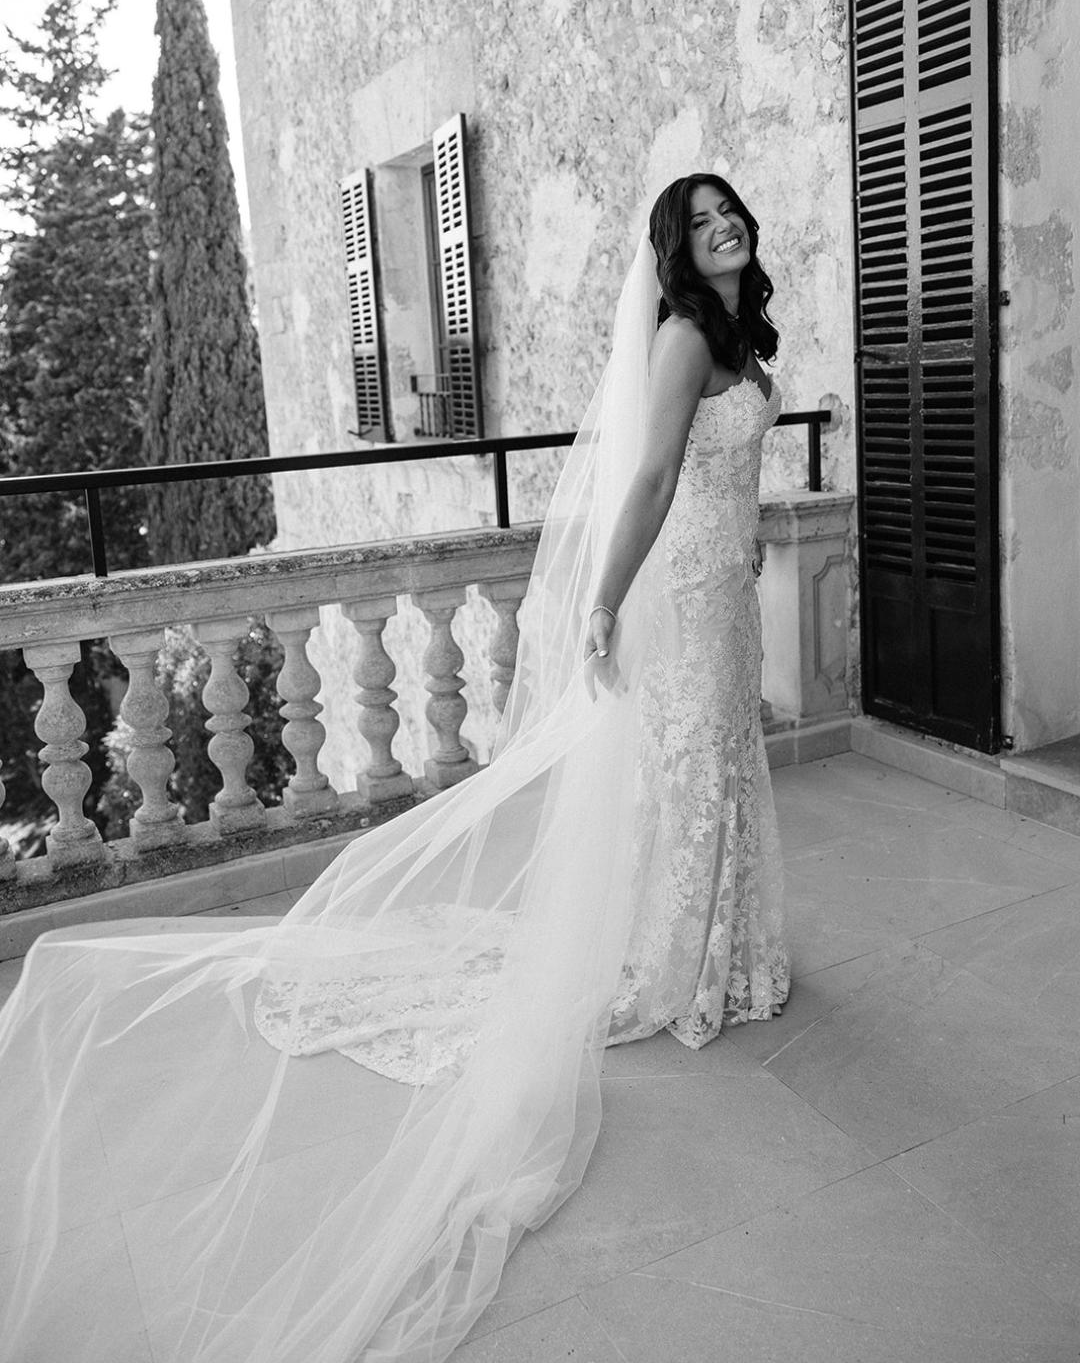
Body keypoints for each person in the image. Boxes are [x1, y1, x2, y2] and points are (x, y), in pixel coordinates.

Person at [0, 174, 788, 1363]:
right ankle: (688, 964)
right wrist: (606, 601)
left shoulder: (742, 337)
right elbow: (649, 480)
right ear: (676, 250)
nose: (722, 229)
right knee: (693, 769)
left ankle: (723, 948)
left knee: (724, 760)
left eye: (730, 213)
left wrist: (753, 544)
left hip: (722, 584)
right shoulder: (683, 337)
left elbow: (730, 477)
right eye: (700, 221)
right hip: (676, 585)